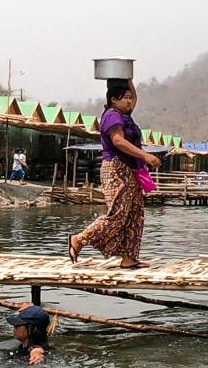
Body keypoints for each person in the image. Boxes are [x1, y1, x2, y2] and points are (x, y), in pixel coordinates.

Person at [68, 79, 161, 267]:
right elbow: (118, 141)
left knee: (135, 213)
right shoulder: (112, 115)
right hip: (116, 169)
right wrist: (145, 155)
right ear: (113, 99)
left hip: (131, 170)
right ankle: (79, 239)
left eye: (129, 98)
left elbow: (135, 97)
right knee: (118, 214)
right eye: (124, 98)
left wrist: (129, 78)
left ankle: (129, 258)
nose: (129, 101)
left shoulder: (126, 116)